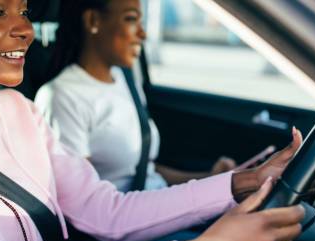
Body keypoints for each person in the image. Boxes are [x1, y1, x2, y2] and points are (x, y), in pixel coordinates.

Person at [0, 0, 304, 241]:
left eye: (24, 10)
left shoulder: (18, 112)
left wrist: (239, 183)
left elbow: (108, 213)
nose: (25, 29)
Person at [35, 0, 240, 193]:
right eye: (131, 19)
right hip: (130, 225)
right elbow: (88, 206)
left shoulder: (123, 79)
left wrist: (212, 178)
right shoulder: (62, 96)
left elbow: (145, 172)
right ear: (93, 21)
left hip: (156, 207)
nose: (142, 33)